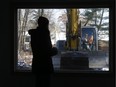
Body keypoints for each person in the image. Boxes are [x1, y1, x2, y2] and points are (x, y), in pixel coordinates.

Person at [28, 16, 57, 87]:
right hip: (45, 67)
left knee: (38, 83)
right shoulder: (44, 34)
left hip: (37, 65)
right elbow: (46, 52)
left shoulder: (34, 34)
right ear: (45, 25)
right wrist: (55, 50)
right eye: (47, 24)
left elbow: (39, 50)